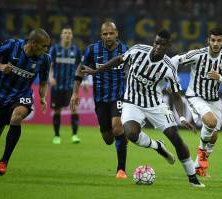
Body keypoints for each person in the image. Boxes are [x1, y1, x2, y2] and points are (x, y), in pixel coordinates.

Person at [81, 29, 205, 188]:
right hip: (132, 102)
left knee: (176, 138)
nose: (158, 47)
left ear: (169, 46)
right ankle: (157, 146)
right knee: (131, 134)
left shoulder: (168, 67)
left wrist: (181, 118)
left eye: (163, 44)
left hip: (155, 104)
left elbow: (176, 96)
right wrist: (96, 71)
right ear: (154, 42)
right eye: (156, 43)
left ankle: (193, 179)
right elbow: (119, 59)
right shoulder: (138, 50)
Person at [0, 28, 51, 175]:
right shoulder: (12, 45)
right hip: (2, 95)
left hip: (22, 94)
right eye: (44, 46)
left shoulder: (45, 59)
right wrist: (0, 66)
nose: (46, 49)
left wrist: (42, 97)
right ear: (33, 43)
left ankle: (4, 161)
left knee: (17, 116)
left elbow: (43, 82)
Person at [171, 27, 222, 177]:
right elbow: (174, 60)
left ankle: (198, 167)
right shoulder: (198, 55)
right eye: (213, 40)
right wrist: (172, 80)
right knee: (211, 123)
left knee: (214, 135)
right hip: (195, 95)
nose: (216, 43)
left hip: (213, 99)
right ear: (208, 40)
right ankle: (202, 150)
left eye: (219, 40)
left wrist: (219, 77)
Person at [70, 21, 128, 179]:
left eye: (111, 33)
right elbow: (80, 69)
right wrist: (75, 92)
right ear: (101, 35)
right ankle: (123, 136)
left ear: (117, 33)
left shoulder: (125, 50)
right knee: (108, 139)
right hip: (100, 99)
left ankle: (121, 169)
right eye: (105, 34)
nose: (108, 36)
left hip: (119, 96)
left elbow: (134, 69)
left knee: (117, 126)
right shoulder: (92, 50)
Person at [49, 26, 85, 144]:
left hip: (71, 86)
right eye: (65, 33)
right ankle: (56, 136)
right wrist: (50, 77)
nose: (67, 35)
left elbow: (81, 67)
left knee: (74, 109)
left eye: (69, 33)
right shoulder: (54, 49)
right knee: (57, 110)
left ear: (72, 36)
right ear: (61, 35)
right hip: (57, 85)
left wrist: (83, 81)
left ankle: (74, 135)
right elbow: (49, 65)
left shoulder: (76, 50)